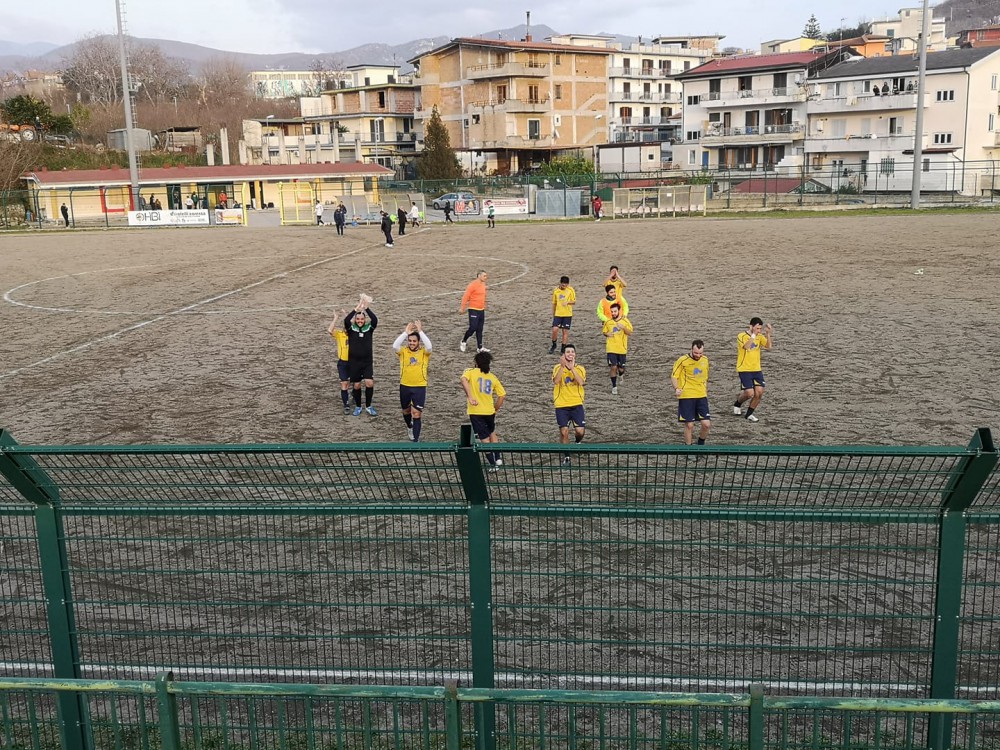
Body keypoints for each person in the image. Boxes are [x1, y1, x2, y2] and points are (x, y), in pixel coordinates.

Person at [461, 350, 506, 472]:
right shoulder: (492, 377)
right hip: (490, 411)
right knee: (492, 432)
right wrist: (496, 408)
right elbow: (502, 395)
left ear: (476, 362)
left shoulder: (470, 372)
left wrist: (470, 396)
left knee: (484, 438)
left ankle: (493, 464)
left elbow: (463, 380)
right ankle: (498, 458)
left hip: (476, 412)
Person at [392, 321, 432, 441]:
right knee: (406, 411)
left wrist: (420, 331)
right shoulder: (403, 351)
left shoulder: (424, 352)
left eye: (414, 341)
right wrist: (405, 333)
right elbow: (395, 346)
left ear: (418, 342)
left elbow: (429, 346)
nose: (412, 343)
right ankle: (409, 426)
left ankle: (416, 440)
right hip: (405, 385)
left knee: (416, 413)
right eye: (410, 341)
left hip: (419, 386)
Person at [733, 317, 773, 423]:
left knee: (759, 392)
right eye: (757, 328)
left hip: (756, 369)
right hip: (744, 369)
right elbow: (746, 347)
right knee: (749, 393)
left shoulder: (759, 336)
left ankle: (749, 414)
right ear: (751, 326)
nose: (759, 331)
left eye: (760, 329)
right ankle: (738, 403)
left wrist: (768, 334)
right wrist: (753, 335)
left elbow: (768, 346)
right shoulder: (741, 336)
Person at [672, 340, 711, 447]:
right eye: (696, 353)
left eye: (700, 353)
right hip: (687, 395)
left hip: (701, 395)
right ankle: (688, 448)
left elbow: (705, 377)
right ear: (691, 350)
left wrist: (705, 390)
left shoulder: (705, 360)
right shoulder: (682, 360)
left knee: (706, 424)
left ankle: (700, 445)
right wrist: (676, 388)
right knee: (689, 425)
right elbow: (674, 376)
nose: (698, 355)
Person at [552, 344, 586, 466]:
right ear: (563, 355)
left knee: (580, 432)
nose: (570, 354)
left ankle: (577, 442)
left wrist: (572, 369)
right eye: (567, 352)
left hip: (576, 404)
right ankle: (566, 456)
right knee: (564, 432)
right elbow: (556, 381)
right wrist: (562, 367)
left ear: (575, 354)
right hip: (561, 405)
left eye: (572, 351)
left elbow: (581, 382)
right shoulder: (557, 367)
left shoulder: (580, 368)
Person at [344, 296, 378, 416]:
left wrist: (367, 308)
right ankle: (358, 406)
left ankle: (368, 406)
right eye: (357, 319)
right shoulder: (351, 329)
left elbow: (375, 320)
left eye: (362, 319)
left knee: (369, 383)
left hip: (367, 362)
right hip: (354, 362)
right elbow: (346, 320)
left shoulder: (369, 328)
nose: (360, 321)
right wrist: (356, 309)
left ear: (364, 319)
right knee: (357, 385)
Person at [602, 302, 633, 395]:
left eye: (615, 311)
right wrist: (607, 334)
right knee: (613, 367)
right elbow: (604, 332)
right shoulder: (608, 322)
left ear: (619, 311)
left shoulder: (625, 321)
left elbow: (630, 332)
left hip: (622, 349)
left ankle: (621, 374)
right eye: (612, 311)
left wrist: (623, 327)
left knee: (621, 368)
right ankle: (614, 386)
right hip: (611, 348)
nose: (613, 313)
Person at [328, 311, 352, 415]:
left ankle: (354, 396)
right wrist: (335, 318)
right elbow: (329, 330)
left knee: (355, 383)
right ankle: (346, 404)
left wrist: (347, 315)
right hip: (343, 363)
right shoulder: (339, 334)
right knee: (344, 384)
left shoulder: (354, 334)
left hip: (354, 362)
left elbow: (354, 322)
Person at [459, 270, 489, 353]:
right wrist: (462, 307)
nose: (486, 277)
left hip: (481, 310)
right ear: (479, 276)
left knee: (480, 329)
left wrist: (484, 304)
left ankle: (480, 347)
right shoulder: (472, 285)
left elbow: (482, 295)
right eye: (484, 276)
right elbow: (466, 296)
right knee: (473, 328)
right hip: (473, 310)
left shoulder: (483, 284)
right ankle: (463, 341)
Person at [549, 276, 576, 353]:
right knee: (555, 329)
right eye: (563, 284)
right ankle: (554, 344)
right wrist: (553, 313)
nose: (564, 285)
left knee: (565, 331)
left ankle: (563, 347)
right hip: (558, 314)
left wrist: (567, 302)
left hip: (567, 314)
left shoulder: (571, 290)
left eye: (566, 284)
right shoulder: (556, 291)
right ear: (560, 283)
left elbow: (574, 301)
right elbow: (554, 303)